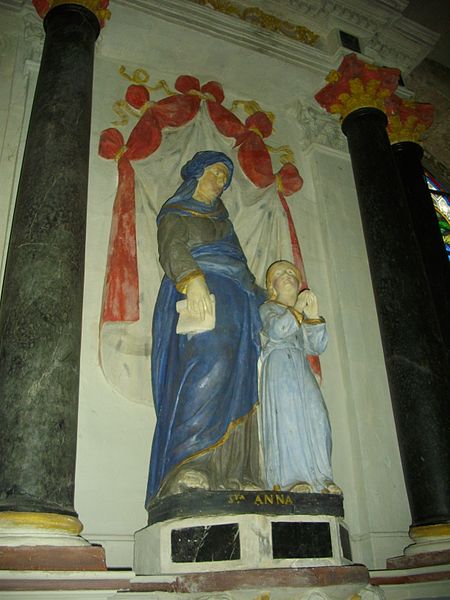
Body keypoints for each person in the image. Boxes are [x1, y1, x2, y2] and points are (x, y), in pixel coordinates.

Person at [146, 151, 263, 507]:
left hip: (238, 302)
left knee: (242, 377)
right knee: (210, 363)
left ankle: (232, 472)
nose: (221, 182)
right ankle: (188, 463)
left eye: (225, 178)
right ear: (196, 175)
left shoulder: (223, 222)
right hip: (201, 294)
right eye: (215, 173)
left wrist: (266, 298)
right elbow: (172, 248)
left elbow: (241, 266)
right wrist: (192, 280)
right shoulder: (177, 212)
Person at [259, 260, 341, 494]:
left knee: (317, 417)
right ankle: (291, 479)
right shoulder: (267, 308)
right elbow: (277, 330)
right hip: (279, 364)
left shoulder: (300, 315)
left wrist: (313, 317)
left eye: (291, 273)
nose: (287, 275)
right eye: (280, 274)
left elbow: (316, 346)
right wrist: (296, 309)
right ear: (272, 286)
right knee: (288, 418)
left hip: (301, 365)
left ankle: (322, 478)